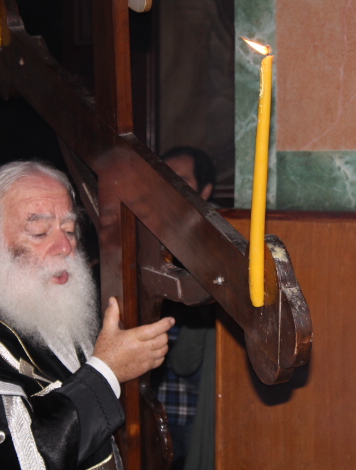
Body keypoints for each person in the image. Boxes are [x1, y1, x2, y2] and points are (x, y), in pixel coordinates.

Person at [0, 161, 175, 470]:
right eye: (40, 233)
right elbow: (17, 458)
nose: (65, 247)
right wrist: (107, 371)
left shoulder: (34, 302)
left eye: (69, 230)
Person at [154, 146, 216, 470]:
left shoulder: (217, 244)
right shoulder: (143, 236)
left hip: (198, 409)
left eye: (181, 180)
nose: (169, 188)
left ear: (204, 191)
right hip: (154, 405)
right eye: (162, 179)